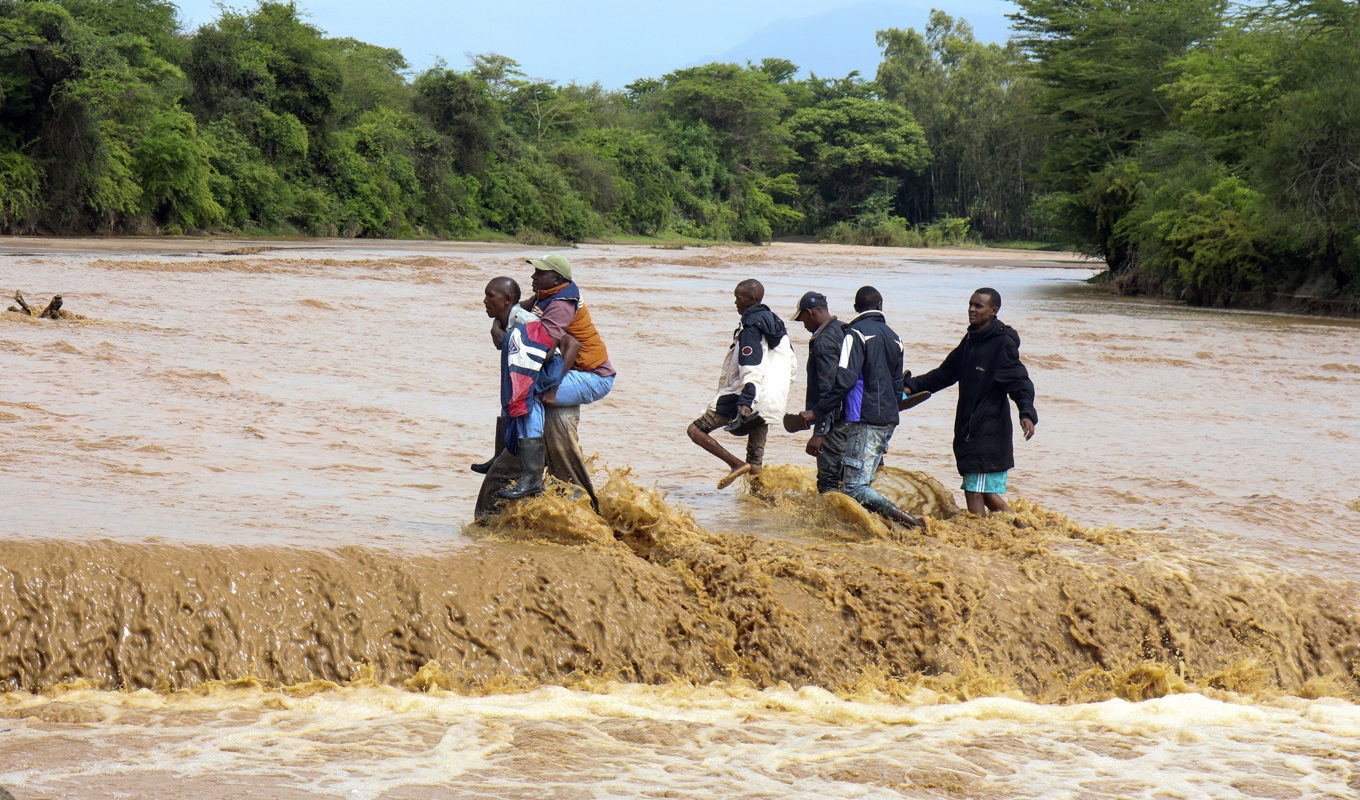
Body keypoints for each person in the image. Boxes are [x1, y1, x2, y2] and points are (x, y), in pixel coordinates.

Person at [903, 287, 1037, 518]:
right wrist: (909, 387)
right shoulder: (971, 339)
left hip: (989, 430)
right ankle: (1021, 526)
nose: (972, 310)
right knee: (982, 491)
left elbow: (1020, 382)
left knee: (973, 490)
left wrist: (1026, 413)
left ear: (993, 311)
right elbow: (944, 374)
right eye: (970, 305)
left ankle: (980, 540)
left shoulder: (1002, 343)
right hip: (969, 428)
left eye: (979, 306)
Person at [474, 277, 596, 518]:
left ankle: (532, 478)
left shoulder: (525, 318)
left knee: (524, 400)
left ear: (506, 300)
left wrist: (553, 386)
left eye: (490, 296)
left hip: (547, 378)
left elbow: (570, 343)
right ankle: (504, 456)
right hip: (536, 376)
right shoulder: (516, 316)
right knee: (511, 394)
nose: (484, 301)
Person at [811, 286, 923, 528]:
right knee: (862, 484)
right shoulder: (895, 337)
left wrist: (817, 411)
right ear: (881, 306)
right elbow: (896, 384)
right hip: (888, 419)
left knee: (853, 488)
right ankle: (875, 531)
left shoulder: (855, 333)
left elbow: (845, 379)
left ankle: (912, 523)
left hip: (863, 419)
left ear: (855, 308)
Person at [688, 279, 796, 489]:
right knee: (756, 459)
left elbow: (751, 364)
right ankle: (760, 507)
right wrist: (776, 392)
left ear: (752, 299)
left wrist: (747, 399)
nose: (735, 302)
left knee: (695, 430)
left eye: (738, 297)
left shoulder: (751, 326)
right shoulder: (779, 327)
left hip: (748, 396)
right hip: (771, 401)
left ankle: (735, 463)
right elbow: (792, 365)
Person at [791, 291, 849, 494]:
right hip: (856, 418)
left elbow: (829, 390)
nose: (804, 325)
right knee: (853, 481)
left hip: (835, 422)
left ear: (810, 313)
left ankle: (832, 524)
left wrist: (819, 433)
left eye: (802, 319)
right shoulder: (845, 330)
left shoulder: (823, 341)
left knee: (828, 483)